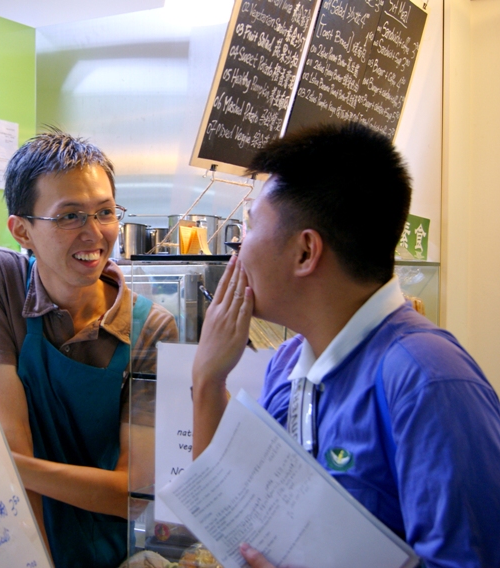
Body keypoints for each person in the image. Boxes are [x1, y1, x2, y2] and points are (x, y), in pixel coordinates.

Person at [191, 122, 500, 568]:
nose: (237, 254)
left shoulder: (427, 378)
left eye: (249, 227)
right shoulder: (288, 364)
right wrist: (207, 377)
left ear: (305, 252)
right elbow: (234, 521)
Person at [0, 131, 178, 567]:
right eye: (69, 216)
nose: (94, 234)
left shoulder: (151, 330)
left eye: (105, 212)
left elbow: (133, 491)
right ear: (22, 230)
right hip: (8, 545)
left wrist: (3, 464)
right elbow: (16, 439)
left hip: (103, 555)